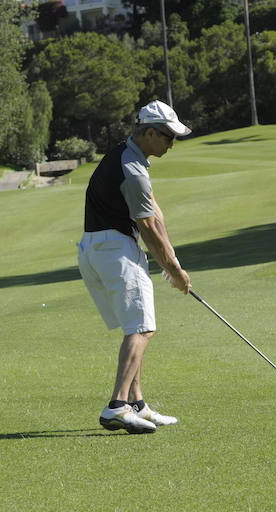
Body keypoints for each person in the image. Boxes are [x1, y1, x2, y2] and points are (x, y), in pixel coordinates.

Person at [77, 100, 192, 434]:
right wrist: (173, 270)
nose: (172, 144)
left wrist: (174, 263)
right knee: (142, 328)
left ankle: (137, 404)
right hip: (115, 250)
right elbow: (148, 228)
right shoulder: (133, 170)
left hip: (98, 248)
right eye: (169, 137)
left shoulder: (125, 156)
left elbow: (157, 216)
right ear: (151, 133)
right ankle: (116, 406)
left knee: (136, 325)